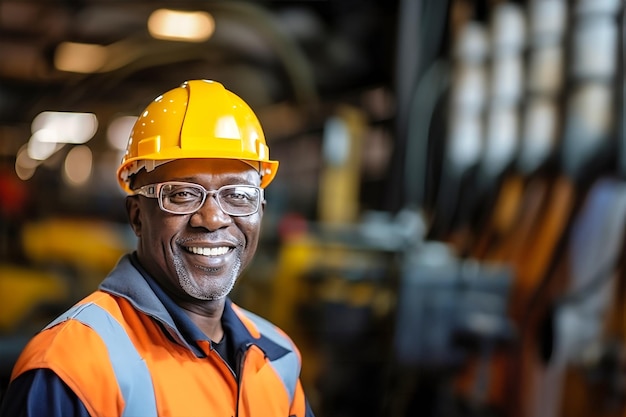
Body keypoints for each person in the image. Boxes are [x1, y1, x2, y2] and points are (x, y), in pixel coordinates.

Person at [0, 79, 315, 417]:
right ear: (136, 215)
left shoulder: (279, 357)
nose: (212, 218)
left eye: (238, 196)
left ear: (260, 212)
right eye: (181, 194)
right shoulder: (71, 366)